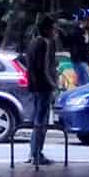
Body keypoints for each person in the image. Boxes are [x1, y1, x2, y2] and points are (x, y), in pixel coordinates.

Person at [23, 15, 59, 165]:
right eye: (53, 28)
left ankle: (33, 153)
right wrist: (52, 83)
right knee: (41, 121)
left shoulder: (32, 42)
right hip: (43, 86)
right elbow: (44, 67)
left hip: (35, 86)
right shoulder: (44, 43)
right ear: (47, 29)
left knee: (37, 120)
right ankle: (37, 154)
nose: (55, 31)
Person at [59, 16, 89, 88]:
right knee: (86, 84)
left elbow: (85, 49)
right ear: (86, 22)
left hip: (81, 60)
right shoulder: (76, 32)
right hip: (78, 59)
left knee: (84, 83)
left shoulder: (85, 32)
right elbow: (67, 42)